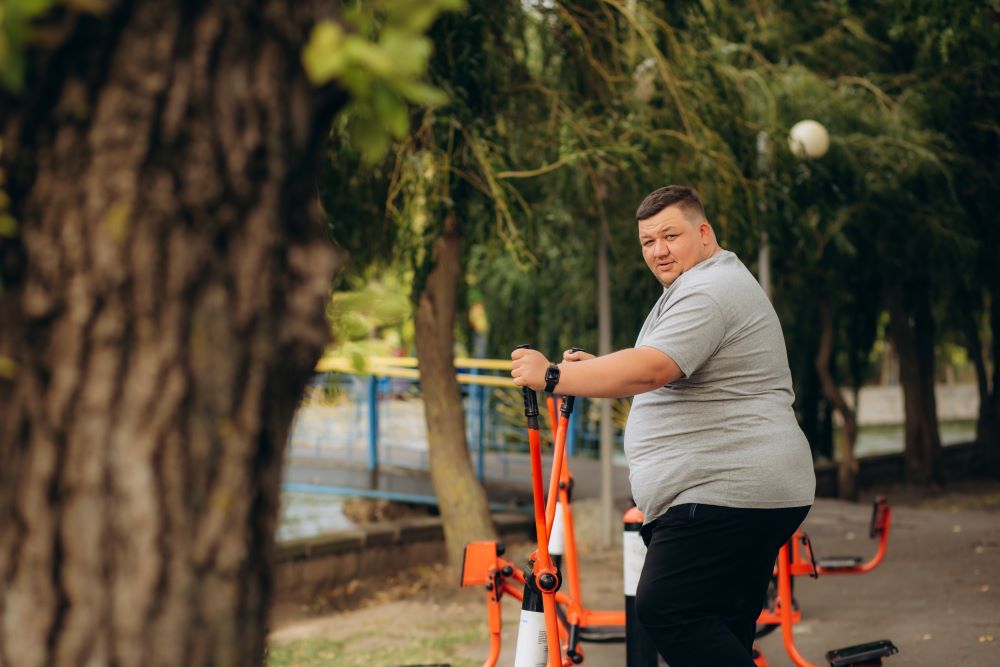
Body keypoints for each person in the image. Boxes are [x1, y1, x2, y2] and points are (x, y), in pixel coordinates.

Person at [511, 185, 815, 666]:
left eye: (670, 236)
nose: (658, 251)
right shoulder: (706, 285)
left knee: (669, 609)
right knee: (720, 624)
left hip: (721, 491)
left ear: (704, 233)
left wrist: (554, 375)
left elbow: (654, 369)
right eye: (648, 242)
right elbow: (669, 372)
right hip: (745, 489)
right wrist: (592, 372)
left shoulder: (708, 291)